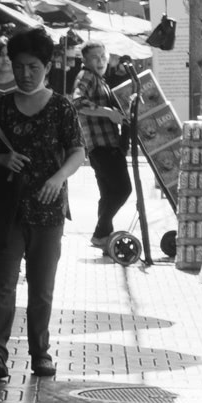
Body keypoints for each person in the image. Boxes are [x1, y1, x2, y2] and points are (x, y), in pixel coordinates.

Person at [0, 28, 85, 382]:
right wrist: (3, 159)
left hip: (48, 211)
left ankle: (41, 353)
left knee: (42, 287)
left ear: (47, 67)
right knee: (3, 283)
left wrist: (58, 179)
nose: (24, 74)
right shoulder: (2, 106)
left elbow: (77, 151)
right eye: (19, 66)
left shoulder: (62, 108)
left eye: (33, 67)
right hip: (9, 210)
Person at [70, 41, 134, 250]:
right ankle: (100, 232)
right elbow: (78, 103)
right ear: (85, 61)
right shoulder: (86, 77)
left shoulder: (100, 80)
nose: (100, 61)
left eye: (103, 57)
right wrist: (109, 113)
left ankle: (104, 236)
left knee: (108, 194)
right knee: (123, 189)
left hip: (103, 145)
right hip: (102, 145)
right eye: (95, 57)